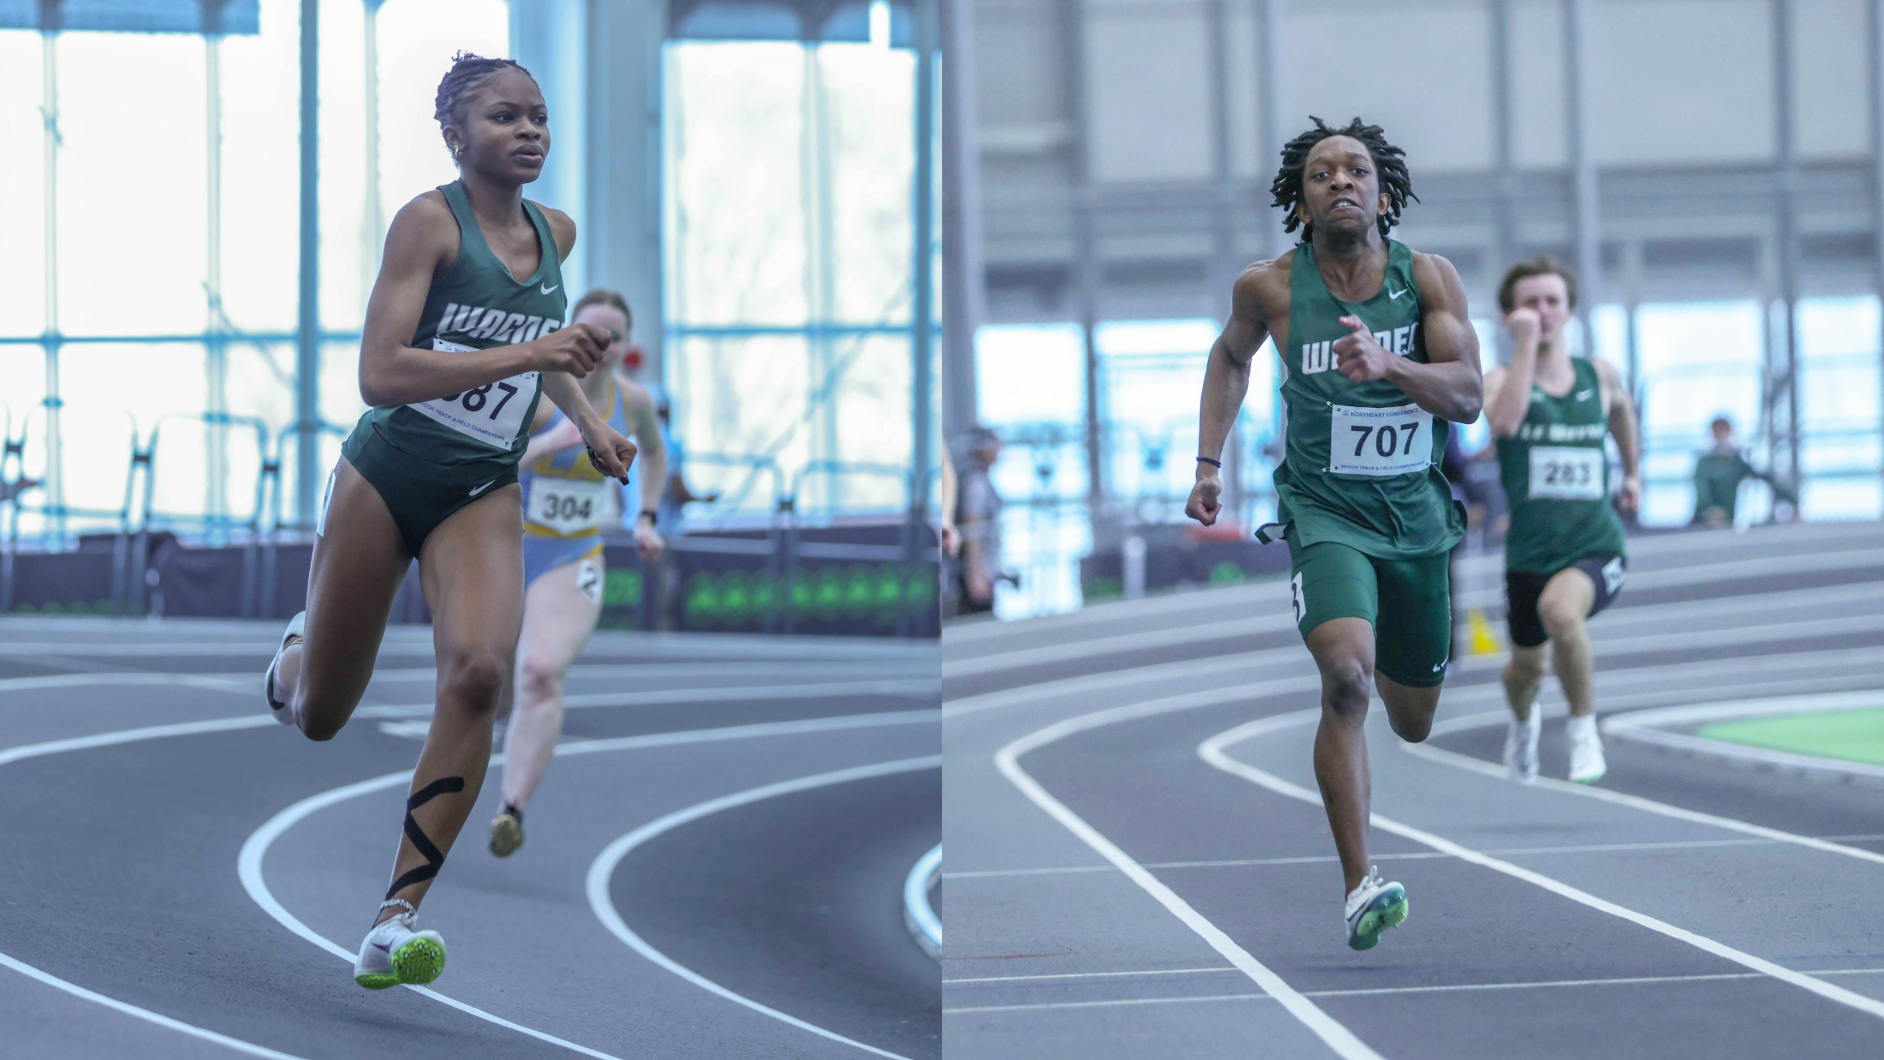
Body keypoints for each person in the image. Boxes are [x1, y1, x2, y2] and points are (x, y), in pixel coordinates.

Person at [261, 53, 638, 991]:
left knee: (479, 674)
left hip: (481, 487)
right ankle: (300, 656)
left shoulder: (557, 231)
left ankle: (395, 920)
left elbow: (540, 346)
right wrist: (533, 348)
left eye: (540, 119)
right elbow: (380, 374)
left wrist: (589, 422)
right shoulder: (429, 223)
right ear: (456, 136)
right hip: (384, 476)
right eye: (506, 118)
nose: (529, 133)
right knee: (319, 720)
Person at [1185, 117, 1482, 951]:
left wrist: (1394, 367)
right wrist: (1209, 464)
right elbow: (1230, 359)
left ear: (1383, 192)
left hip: (1416, 521)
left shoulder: (1428, 279)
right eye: (1322, 173)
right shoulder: (1270, 289)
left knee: (1413, 718)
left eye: (1356, 170)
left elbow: (1466, 397)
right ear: (1302, 200)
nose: (1340, 181)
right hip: (1326, 516)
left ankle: (1401, 655)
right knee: (1347, 679)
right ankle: (1361, 884)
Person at [487, 288, 666, 858]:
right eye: (591, 332)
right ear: (569, 331)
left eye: (613, 336)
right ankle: (495, 728)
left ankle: (510, 808)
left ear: (626, 345)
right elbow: (489, 459)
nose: (602, 346)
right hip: (510, 545)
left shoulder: (632, 401)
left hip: (573, 555)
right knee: (488, 682)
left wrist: (647, 517)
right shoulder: (537, 391)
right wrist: (553, 444)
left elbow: (655, 455)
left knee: (540, 673)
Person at [1483, 256, 1640, 786]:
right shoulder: (1500, 379)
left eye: (1552, 301)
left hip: (1595, 545)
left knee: (1560, 610)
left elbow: (1622, 410)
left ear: (1569, 309)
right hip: (1529, 555)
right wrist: (1527, 345)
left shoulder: (1599, 375)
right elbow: (1504, 423)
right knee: (1525, 669)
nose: (1543, 311)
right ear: (1509, 316)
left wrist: (1632, 473)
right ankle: (1524, 722)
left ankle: (1582, 729)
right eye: (1530, 303)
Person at [1692, 416, 1795, 527]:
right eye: (1718, 432)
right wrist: (1711, 510)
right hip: (1703, 521)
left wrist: (1792, 501)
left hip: (1728, 521)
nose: (1721, 436)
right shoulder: (1705, 462)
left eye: (1724, 432)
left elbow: (1764, 478)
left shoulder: (1735, 462)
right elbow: (1702, 489)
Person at [954, 427, 1005, 615]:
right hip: (977, 571)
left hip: (984, 568)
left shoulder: (979, 479)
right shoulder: (975, 482)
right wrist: (975, 573)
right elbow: (973, 525)